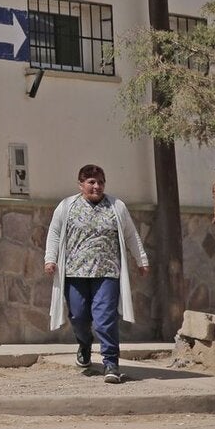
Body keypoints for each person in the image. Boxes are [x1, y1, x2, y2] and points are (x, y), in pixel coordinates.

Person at [44, 164, 150, 384]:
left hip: (107, 273)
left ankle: (111, 363)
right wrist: (50, 259)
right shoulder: (66, 207)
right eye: (91, 182)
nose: (97, 186)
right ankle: (84, 344)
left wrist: (141, 260)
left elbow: (131, 234)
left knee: (104, 319)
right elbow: (54, 233)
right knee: (79, 316)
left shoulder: (116, 207)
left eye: (100, 182)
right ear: (81, 184)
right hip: (75, 273)